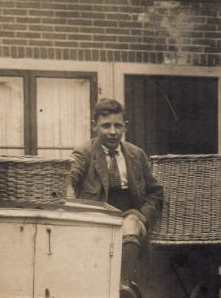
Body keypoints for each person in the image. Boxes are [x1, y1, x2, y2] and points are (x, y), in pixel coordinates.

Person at [68, 98, 162, 286]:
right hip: (96, 220)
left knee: (130, 226)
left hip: (132, 218)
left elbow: (155, 192)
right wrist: (74, 210)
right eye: (106, 126)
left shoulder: (137, 154)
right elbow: (67, 180)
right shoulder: (84, 153)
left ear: (125, 126)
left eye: (118, 126)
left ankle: (123, 287)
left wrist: (142, 216)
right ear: (94, 126)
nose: (112, 132)